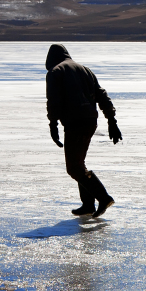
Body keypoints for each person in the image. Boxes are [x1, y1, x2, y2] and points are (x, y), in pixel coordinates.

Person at [45, 44, 122, 218]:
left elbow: (53, 101)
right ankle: (88, 205)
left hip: (75, 122)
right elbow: (102, 95)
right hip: (89, 121)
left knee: (74, 168)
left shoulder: (55, 72)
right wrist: (112, 121)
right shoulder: (85, 69)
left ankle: (103, 197)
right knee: (79, 163)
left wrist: (53, 125)